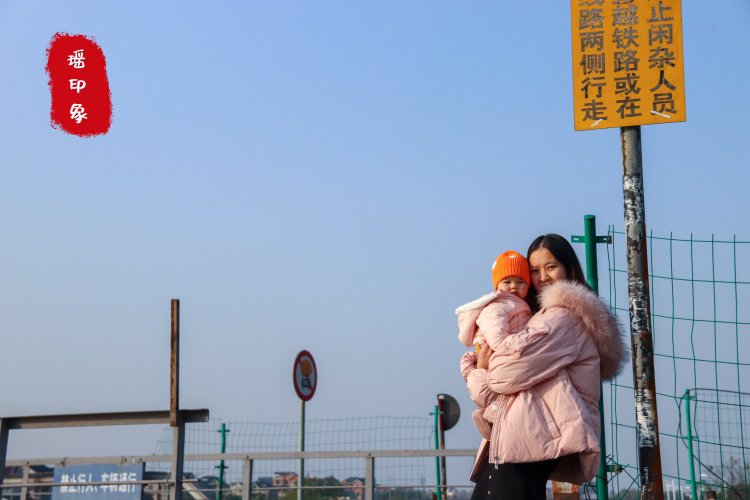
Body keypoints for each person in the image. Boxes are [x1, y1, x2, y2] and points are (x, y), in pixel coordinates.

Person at [460, 234, 626, 500]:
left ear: (570, 270)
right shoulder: (541, 317)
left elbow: (503, 376)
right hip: (522, 437)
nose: (543, 277)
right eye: (535, 270)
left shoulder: (562, 317)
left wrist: (481, 369)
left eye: (551, 266)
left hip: (529, 439)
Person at [456, 251, 533, 440]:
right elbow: (494, 329)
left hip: (502, 354)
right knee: (501, 390)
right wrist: (505, 349)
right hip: (499, 353)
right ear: (497, 285)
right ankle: (489, 416)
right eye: (507, 282)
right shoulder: (497, 304)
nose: (514, 286)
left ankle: (487, 416)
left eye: (520, 282)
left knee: (502, 395)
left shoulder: (517, 304)